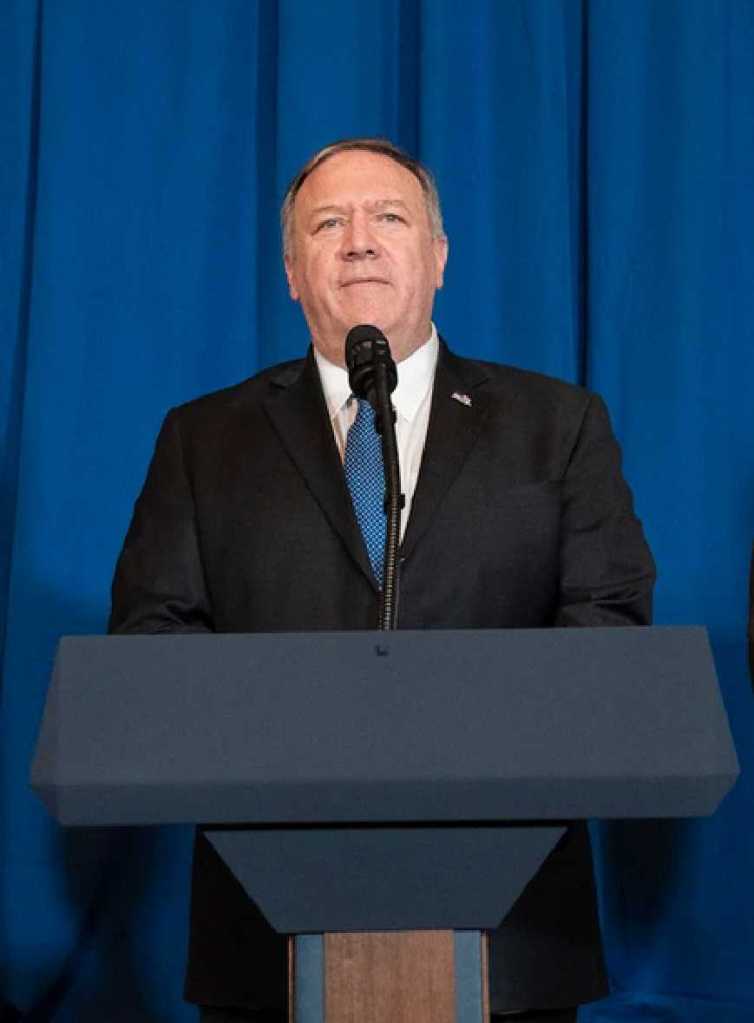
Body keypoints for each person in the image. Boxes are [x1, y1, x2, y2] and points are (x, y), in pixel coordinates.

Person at [109, 138, 656, 1022]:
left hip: (514, 935)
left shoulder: (558, 425)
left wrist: (462, 740)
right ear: (292, 273)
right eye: (329, 223)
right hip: (267, 935)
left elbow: (609, 622)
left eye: (389, 217)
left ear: (438, 257)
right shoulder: (203, 440)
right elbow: (152, 640)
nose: (359, 240)